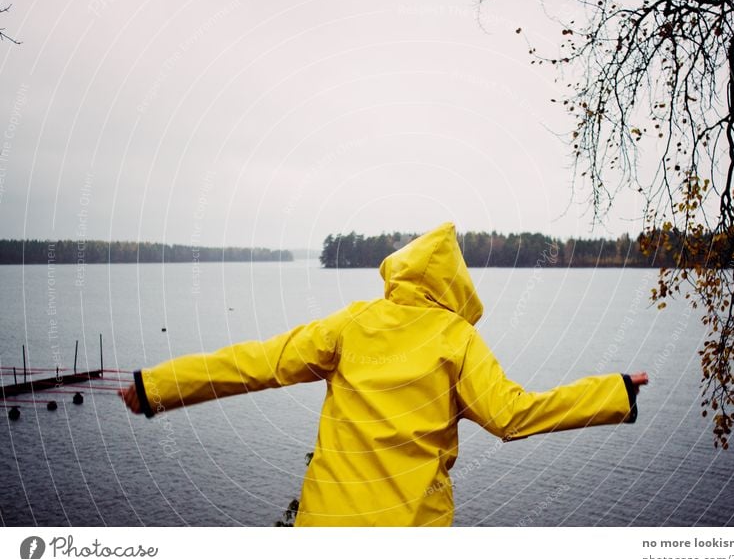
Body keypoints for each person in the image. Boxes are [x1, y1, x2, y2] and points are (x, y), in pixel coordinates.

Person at [119, 221, 648, 526]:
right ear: (456, 286)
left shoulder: (354, 324)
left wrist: (156, 387)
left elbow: (255, 363)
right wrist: (615, 392)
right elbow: (512, 416)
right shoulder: (456, 339)